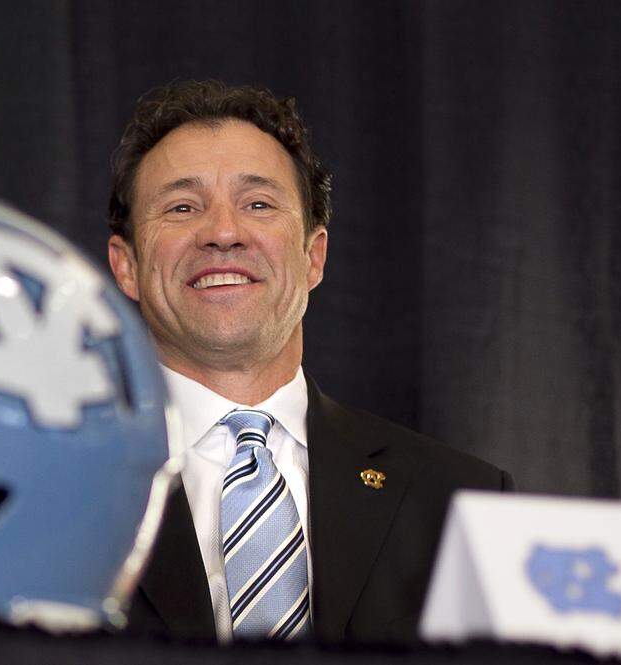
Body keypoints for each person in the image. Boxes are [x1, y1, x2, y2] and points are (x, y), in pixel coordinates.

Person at [105, 80, 514, 645]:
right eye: (182, 206)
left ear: (313, 256)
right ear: (125, 266)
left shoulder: (461, 501)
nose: (223, 233)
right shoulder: (48, 490)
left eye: (258, 204)